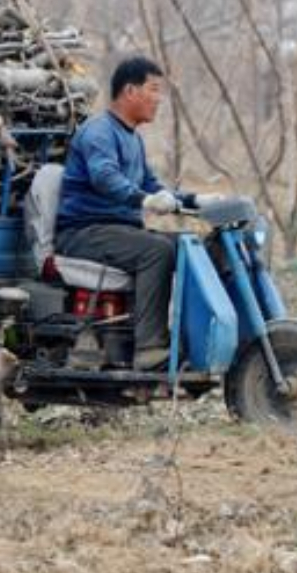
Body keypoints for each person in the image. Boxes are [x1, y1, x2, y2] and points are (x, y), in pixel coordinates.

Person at [54, 55, 207, 372]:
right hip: (85, 232)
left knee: (190, 246)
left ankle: (192, 336)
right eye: (153, 89)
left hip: (116, 232)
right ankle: (150, 349)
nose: (159, 99)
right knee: (156, 250)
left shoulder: (132, 138)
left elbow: (153, 185)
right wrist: (145, 201)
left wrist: (196, 199)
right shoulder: (99, 132)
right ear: (129, 91)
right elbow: (105, 177)